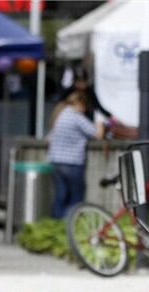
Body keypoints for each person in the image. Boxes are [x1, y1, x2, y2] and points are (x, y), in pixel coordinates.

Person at [48, 91, 103, 219]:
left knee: (60, 195)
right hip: (72, 162)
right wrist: (100, 122)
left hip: (55, 161)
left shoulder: (60, 114)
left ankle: (56, 222)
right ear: (80, 104)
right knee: (75, 196)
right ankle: (71, 223)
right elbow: (97, 134)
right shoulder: (76, 117)